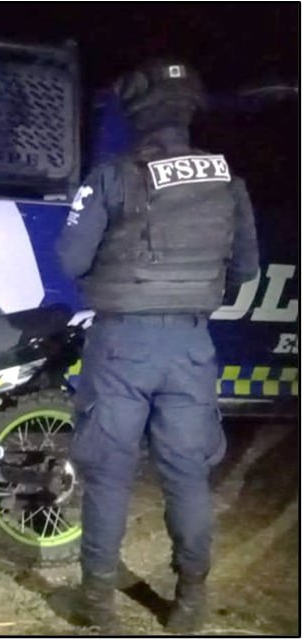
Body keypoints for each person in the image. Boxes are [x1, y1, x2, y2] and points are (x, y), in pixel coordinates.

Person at [56, 59, 259, 633]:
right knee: (187, 477)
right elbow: (246, 269)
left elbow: (71, 259)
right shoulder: (228, 182)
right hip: (189, 347)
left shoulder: (112, 175)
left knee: (109, 475)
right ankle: (189, 603)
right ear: (189, 111)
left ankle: (98, 603)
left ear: (137, 113)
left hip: (121, 344)